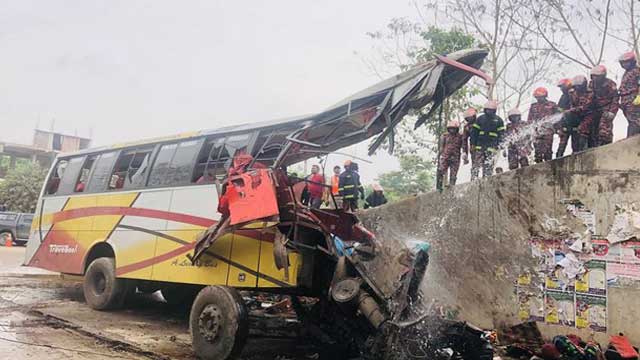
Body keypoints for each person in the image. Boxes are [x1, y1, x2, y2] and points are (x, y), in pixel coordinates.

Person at [583, 65, 619, 148]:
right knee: (592, 130)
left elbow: (615, 99)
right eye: (593, 76)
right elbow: (589, 97)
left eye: (597, 76)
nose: (595, 78)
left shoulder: (610, 84)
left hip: (607, 108)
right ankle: (594, 147)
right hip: (595, 110)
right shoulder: (591, 84)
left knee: (604, 129)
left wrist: (612, 112)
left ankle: (607, 146)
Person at [470, 100, 505, 178]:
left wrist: (501, 145)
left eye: (491, 110)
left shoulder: (498, 120)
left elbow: (502, 134)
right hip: (480, 146)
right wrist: (472, 144)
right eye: (487, 109)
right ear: (485, 110)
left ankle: (487, 179)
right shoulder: (480, 119)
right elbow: (474, 133)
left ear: (494, 110)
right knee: (476, 164)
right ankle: (473, 179)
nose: (489, 111)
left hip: (492, 147)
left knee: (488, 165)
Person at [528, 87, 558, 163]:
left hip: (548, 131)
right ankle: (539, 168)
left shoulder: (552, 105)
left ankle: (549, 166)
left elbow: (557, 118)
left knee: (548, 151)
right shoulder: (533, 106)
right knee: (538, 152)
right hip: (537, 131)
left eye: (540, 97)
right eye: (537, 97)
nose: (538, 99)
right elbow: (530, 119)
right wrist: (530, 130)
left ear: (544, 96)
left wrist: (558, 129)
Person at [436, 120, 465, 190]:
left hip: (455, 158)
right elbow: (441, 147)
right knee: (441, 170)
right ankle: (439, 186)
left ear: (456, 129)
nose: (452, 130)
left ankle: (451, 186)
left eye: (454, 128)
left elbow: (464, 146)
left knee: (453, 174)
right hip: (445, 157)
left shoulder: (460, 136)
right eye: (451, 128)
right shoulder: (445, 136)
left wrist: (465, 154)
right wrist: (438, 156)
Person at [556, 78, 580, 158]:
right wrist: (559, 126)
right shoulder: (563, 97)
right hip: (565, 125)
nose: (561, 89)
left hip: (576, 124)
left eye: (562, 87)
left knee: (576, 147)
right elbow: (559, 111)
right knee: (561, 147)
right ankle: (557, 162)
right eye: (560, 87)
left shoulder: (575, 94)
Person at [568, 74, 593, 151]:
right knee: (574, 132)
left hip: (588, 115)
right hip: (577, 116)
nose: (577, 88)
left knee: (583, 130)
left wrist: (573, 110)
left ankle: (583, 150)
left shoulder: (590, 93)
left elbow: (587, 107)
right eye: (576, 86)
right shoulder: (572, 93)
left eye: (579, 86)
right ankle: (575, 151)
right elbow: (572, 104)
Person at [618, 51, 640, 137]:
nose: (624, 65)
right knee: (631, 121)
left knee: (635, 122)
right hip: (626, 101)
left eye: (626, 62)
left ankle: (633, 139)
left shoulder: (637, 71)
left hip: (634, 99)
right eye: (622, 63)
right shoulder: (627, 73)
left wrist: (639, 96)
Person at [462, 107, 480, 180]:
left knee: (486, 162)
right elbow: (464, 140)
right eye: (468, 118)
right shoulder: (467, 127)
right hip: (474, 147)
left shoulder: (481, 121)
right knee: (475, 164)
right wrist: (464, 152)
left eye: (470, 117)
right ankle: (474, 178)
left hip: (483, 144)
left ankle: (487, 176)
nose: (469, 119)